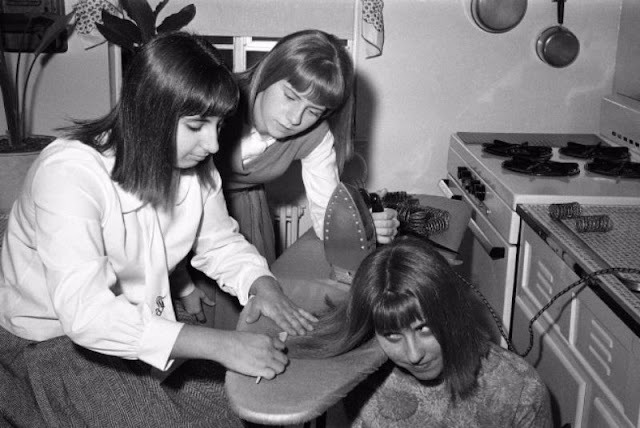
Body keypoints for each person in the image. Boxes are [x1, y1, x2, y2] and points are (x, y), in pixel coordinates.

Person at [0, 31, 316, 427]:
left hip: (137, 330)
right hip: (47, 346)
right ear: (150, 112)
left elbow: (218, 242)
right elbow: (87, 315)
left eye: (218, 125)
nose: (214, 145)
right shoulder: (68, 175)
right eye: (198, 125)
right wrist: (221, 344)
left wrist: (261, 284)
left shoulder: (193, 168)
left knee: (249, 408)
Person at [290, 237, 552, 427]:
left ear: (451, 314)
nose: (414, 354)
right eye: (392, 335)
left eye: (424, 329)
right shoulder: (353, 375)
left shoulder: (520, 388)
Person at [215, 29, 399, 265]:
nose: (294, 119)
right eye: (290, 97)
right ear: (270, 72)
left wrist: (362, 225)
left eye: (313, 111)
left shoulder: (317, 136)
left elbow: (328, 217)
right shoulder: (216, 101)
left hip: (247, 213)